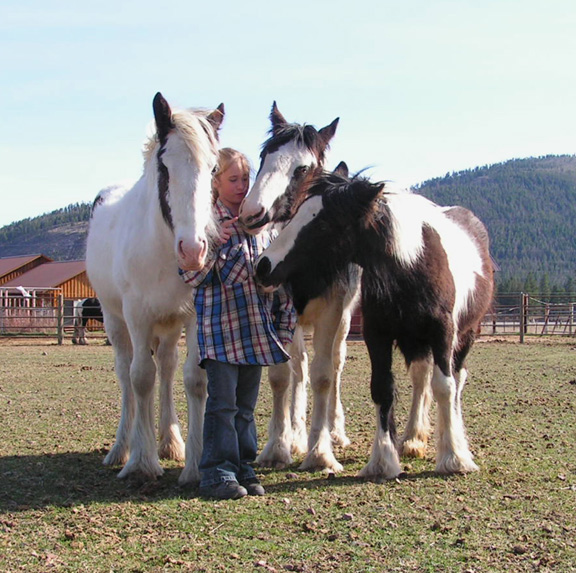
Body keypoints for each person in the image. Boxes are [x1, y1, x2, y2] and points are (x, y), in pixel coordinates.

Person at [180, 148, 296, 500]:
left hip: (254, 331)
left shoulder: (258, 223)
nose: (242, 186)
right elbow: (190, 277)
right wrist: (217, 243)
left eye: (245, 179)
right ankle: (216, 472)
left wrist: (284, 324)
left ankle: (244, 467)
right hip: (220, 331)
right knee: (222, 405)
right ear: (215, 183)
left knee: (245, 408)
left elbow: (273, 275)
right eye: (233, 179)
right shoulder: (204, 225)